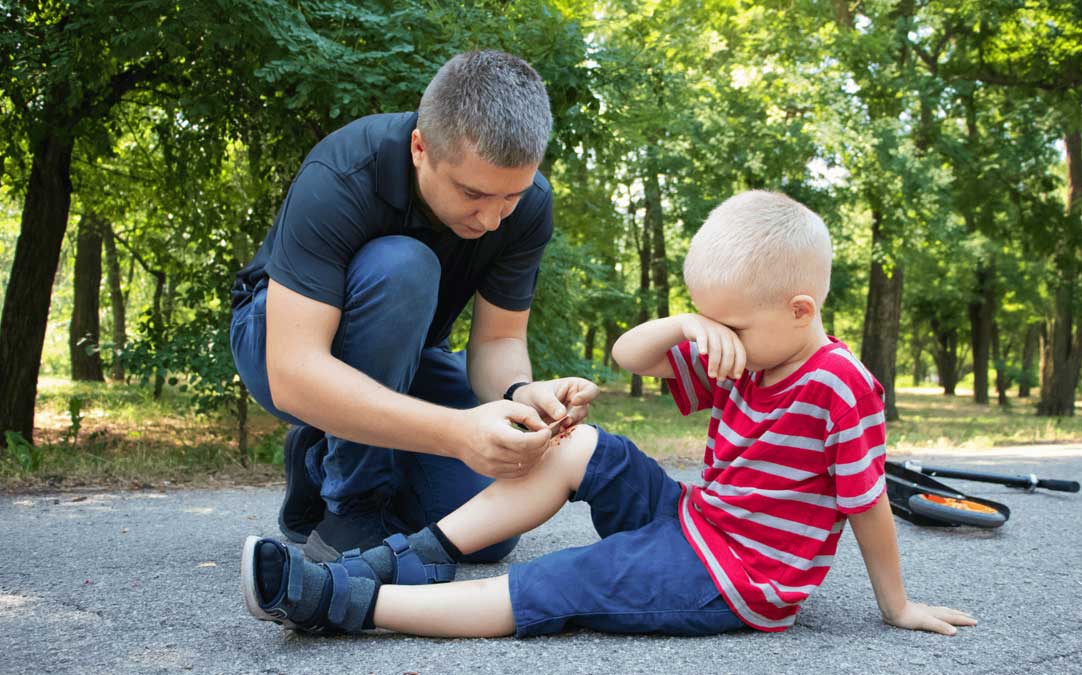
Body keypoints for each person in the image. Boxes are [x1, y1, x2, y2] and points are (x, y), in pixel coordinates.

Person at [239, 191, 978, 638]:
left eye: (731, 326)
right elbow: (632, 354)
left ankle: (349, 602)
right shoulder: (746, 351)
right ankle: (412, 556)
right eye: (709, 324)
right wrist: (690, 324)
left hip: (735, 576)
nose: (718, 341)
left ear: (800, 310)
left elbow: (867, 504)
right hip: (695, 520)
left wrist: (899, 604)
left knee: (563, 580)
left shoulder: (839, 385)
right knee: (580, 443)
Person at [229, 50, 598, 564]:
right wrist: (454, 432)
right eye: (472, 193)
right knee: (403, 266)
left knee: (486, 532)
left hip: (410, 355)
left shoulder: (529, 205)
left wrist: (523, 394)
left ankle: (319, 463)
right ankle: (352, 504)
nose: (492, 219)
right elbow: (294, 371)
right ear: (420, 148)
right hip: (276, 339)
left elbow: (498, 341)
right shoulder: (343, 173)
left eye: (509, 197)